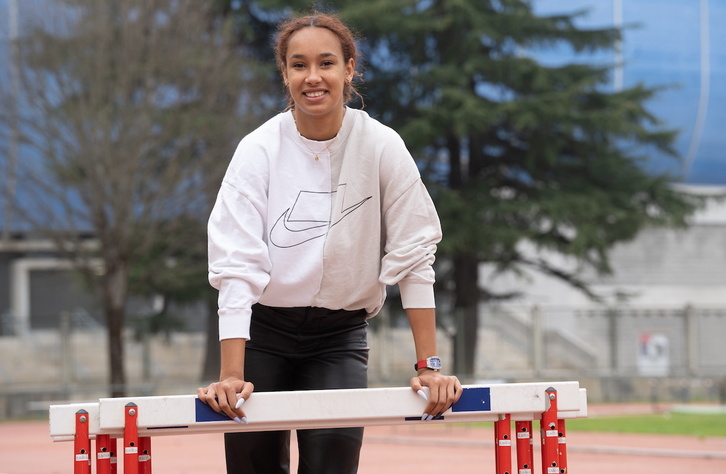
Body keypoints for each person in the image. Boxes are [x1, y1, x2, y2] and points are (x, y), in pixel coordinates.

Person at [197, 11, 462, 474]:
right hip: (263, 335)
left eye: (326, 63)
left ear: (349, 69)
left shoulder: (382, 145)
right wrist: (232, 375)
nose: (313, 77)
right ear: (284, 73)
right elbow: (236, 264)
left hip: (338, 338)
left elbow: (415, 254)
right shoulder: (257, 150)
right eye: (298, 65)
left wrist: (430, 366)